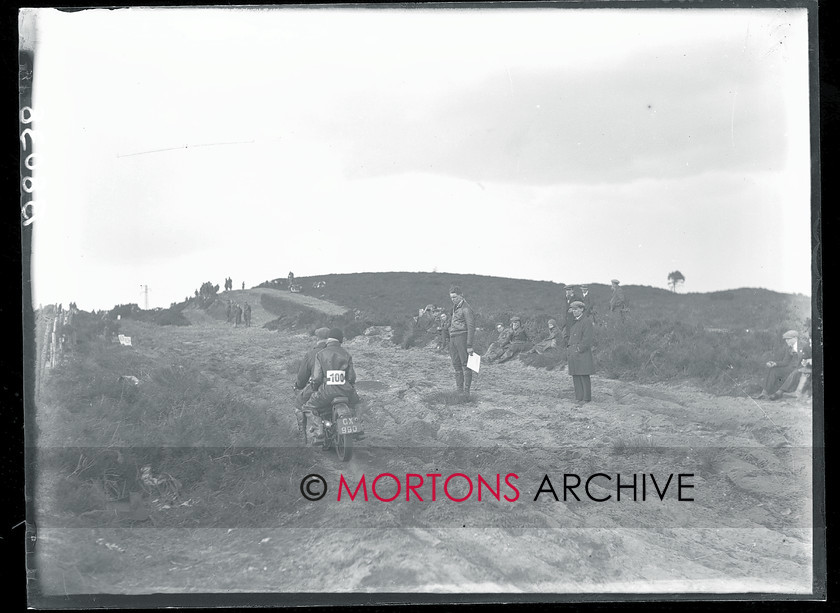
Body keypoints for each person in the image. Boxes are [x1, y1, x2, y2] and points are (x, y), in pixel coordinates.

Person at [302, 328, 360, 444]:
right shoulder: (346, 354)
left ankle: (319, 430)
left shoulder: (320, 354)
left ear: (328, 340)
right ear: (341, 340)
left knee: (308, 407)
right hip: (346, 391)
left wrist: (314, 387)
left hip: (326, 392)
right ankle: (358, 427)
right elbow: (352, 377)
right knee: (357, 404)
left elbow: (317, 378)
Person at [293, 327, 332, 430]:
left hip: (319, 388)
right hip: (339, 386)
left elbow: (302, 378)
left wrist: (298, 385)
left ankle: (303, 437)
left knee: (298, 403)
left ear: (317, 338)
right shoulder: (337, 351)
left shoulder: (311, 354)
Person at [758, 330, 811, 400]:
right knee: (774, 370)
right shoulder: (789, 348)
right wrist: (775, 363)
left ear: (795, 338)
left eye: (788, 339)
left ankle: (779, 393)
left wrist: (807, 363)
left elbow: (811, 357)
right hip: (792, 368)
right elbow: (785, 362)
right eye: (786, 339)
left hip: (802, 368)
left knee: (795, 372)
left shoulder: (804, 345)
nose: (787, 341)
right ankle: (764, 392)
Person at [448, 285, 476, 397]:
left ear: (461, 296)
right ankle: (459, 390)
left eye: (455, 297)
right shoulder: (455, 307)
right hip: (453, 337)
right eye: (451, 298)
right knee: (456, 364)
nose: (453, 299)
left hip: (462, 337)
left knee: (466, 364)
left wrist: (469, 345)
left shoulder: (466, 308)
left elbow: (471, 327)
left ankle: (466, 392)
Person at [567, 301, 595, 404]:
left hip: (581, 353)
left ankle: (586, 398)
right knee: (576, 375)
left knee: (583, 375)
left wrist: (579, 349)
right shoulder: (574, 322)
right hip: (573, 353)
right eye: (573, 309)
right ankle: (579, 398)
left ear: (582, 309)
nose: (574, 311)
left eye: (576, 309)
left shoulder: (586, 321)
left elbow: (587, 339)